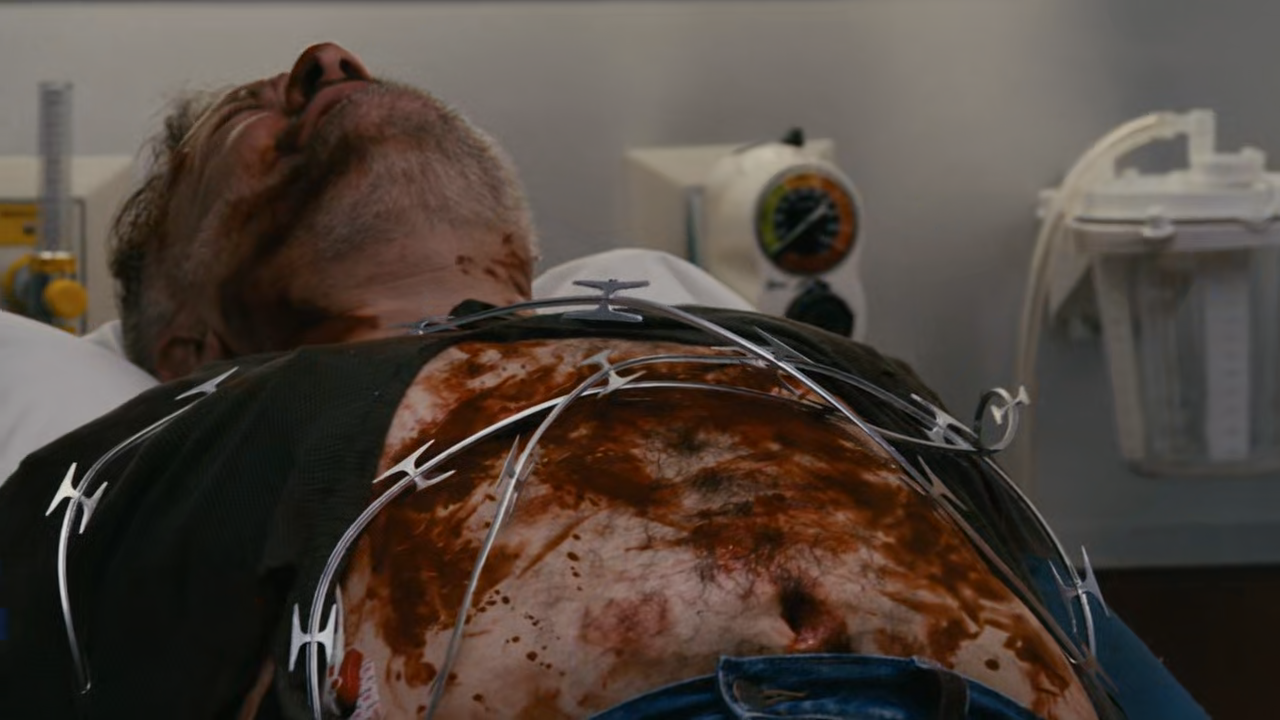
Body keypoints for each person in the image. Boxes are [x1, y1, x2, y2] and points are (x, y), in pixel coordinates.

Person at [0, 44, 1204, 720]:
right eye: (253, 124)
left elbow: (1103, 661)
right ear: (190, 349)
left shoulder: (825, 377)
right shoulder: (159, 461)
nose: (324, 59)